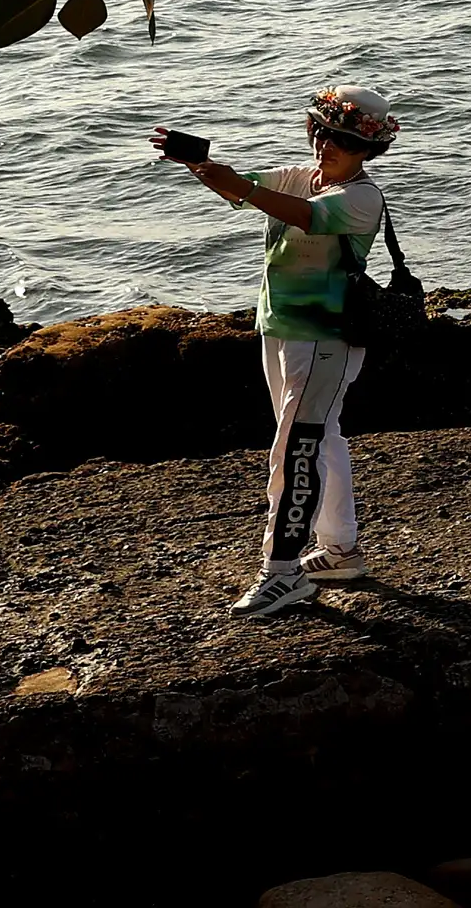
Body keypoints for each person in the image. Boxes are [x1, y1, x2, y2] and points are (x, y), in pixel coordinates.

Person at [152, 86, 400, 616]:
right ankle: (340, 550)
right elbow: (240, 190)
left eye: (343, 140)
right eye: (322, 133)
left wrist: (237, 182)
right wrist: (198, 163)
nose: (327, 145)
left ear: (367, 149)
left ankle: (283, 572)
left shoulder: (362, 198)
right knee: (320, 438)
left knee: (295, 449)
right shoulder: (300, 176)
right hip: (281, 329)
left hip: (326, 338)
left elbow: (299, 214)